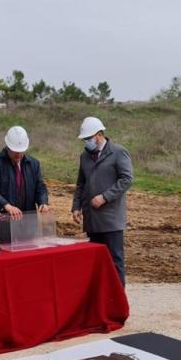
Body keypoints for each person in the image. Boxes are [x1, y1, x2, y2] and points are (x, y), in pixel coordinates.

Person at [71, 117, 134, 285]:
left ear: (99, 135)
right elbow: (81, 183)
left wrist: (105, 196)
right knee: (97, 260)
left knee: (115, 260)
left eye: (88, 138)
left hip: (111, 219)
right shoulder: (84, 156)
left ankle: (118, 299)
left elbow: (126, 179)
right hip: (92, 218)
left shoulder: (118, 152)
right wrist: (76, 206)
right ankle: (102, 298)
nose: (86, 142)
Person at [0, 126, 50, 224]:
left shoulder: (33, 164)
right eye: (15, 152)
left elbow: (40, 187)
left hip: (28, 220)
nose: (18, 154)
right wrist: (6, 205)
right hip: (4, 221)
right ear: (8, 147)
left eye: (21, 151)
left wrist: (43, 202)